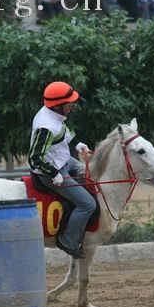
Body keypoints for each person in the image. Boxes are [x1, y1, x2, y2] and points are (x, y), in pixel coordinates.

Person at [28, 81, 95, 260]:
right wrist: (54, 174)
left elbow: (64, 131)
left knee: (95, 174)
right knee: (88, 204)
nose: (72, 105)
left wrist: (78, 144)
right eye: (69, 102)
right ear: (58, 105)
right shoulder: (45, 126)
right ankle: (68, 240)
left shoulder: (54, 115)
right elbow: (34, 157)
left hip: (65, 160)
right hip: (50, 172)